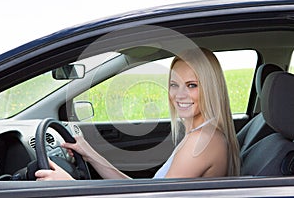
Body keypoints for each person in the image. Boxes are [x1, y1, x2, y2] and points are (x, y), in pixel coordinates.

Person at [35, 47, 240, 180]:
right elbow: (141, 191)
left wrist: (70, 186)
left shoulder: (202, 141)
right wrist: (90, 154)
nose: (179, 95)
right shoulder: (204, 135)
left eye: (192, 85)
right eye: (174, 85)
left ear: (211, 87)